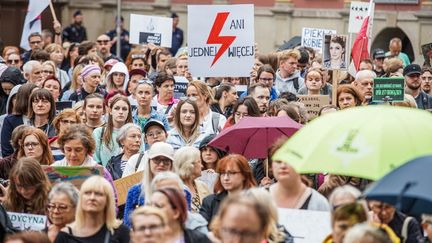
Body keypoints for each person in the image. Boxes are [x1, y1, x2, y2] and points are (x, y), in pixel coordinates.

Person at [54, 176, 130, 243]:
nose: (92, 198)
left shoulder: (122, 233)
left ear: (108, 200)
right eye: (87, 193)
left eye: (98, 194)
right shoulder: (65, 235)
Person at [269, 138, 330, 211]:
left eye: (288, 160)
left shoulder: (319, 203)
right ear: (271, 166)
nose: (283, 166)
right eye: (278, 161)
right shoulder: (258, 200)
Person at [123, 142, 175, 227]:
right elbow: (128, 225)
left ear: (172, 164)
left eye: (166, 161)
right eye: (156, 160)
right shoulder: (135, 191)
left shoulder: (182, 191)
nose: (161, 164)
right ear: (149, 162)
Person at [199, 154, 257, 223]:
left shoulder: (256, 201)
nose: (226, 178)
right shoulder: (210, 201)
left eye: (232, 173)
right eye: (222, 173)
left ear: (244, 175)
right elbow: (201, 229)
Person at [93, 95, 132, 166]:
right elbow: (95, 161)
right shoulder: (98, 132)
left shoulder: (136, 133)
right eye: (117, 108)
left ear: (129, 112)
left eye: (124, 109)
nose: (121, 112)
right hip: (104, 175)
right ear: (110, 111)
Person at [1, 83, 38, 157]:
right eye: (34, 97)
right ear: (25, 98)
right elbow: (7, 151)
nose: (38, 100)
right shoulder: (10, 120)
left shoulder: (44, 118)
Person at [173, 146, 210, 212]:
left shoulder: (203, 186)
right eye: (199, 162)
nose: (202, 166)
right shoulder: (173, 189)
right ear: (188, 165)